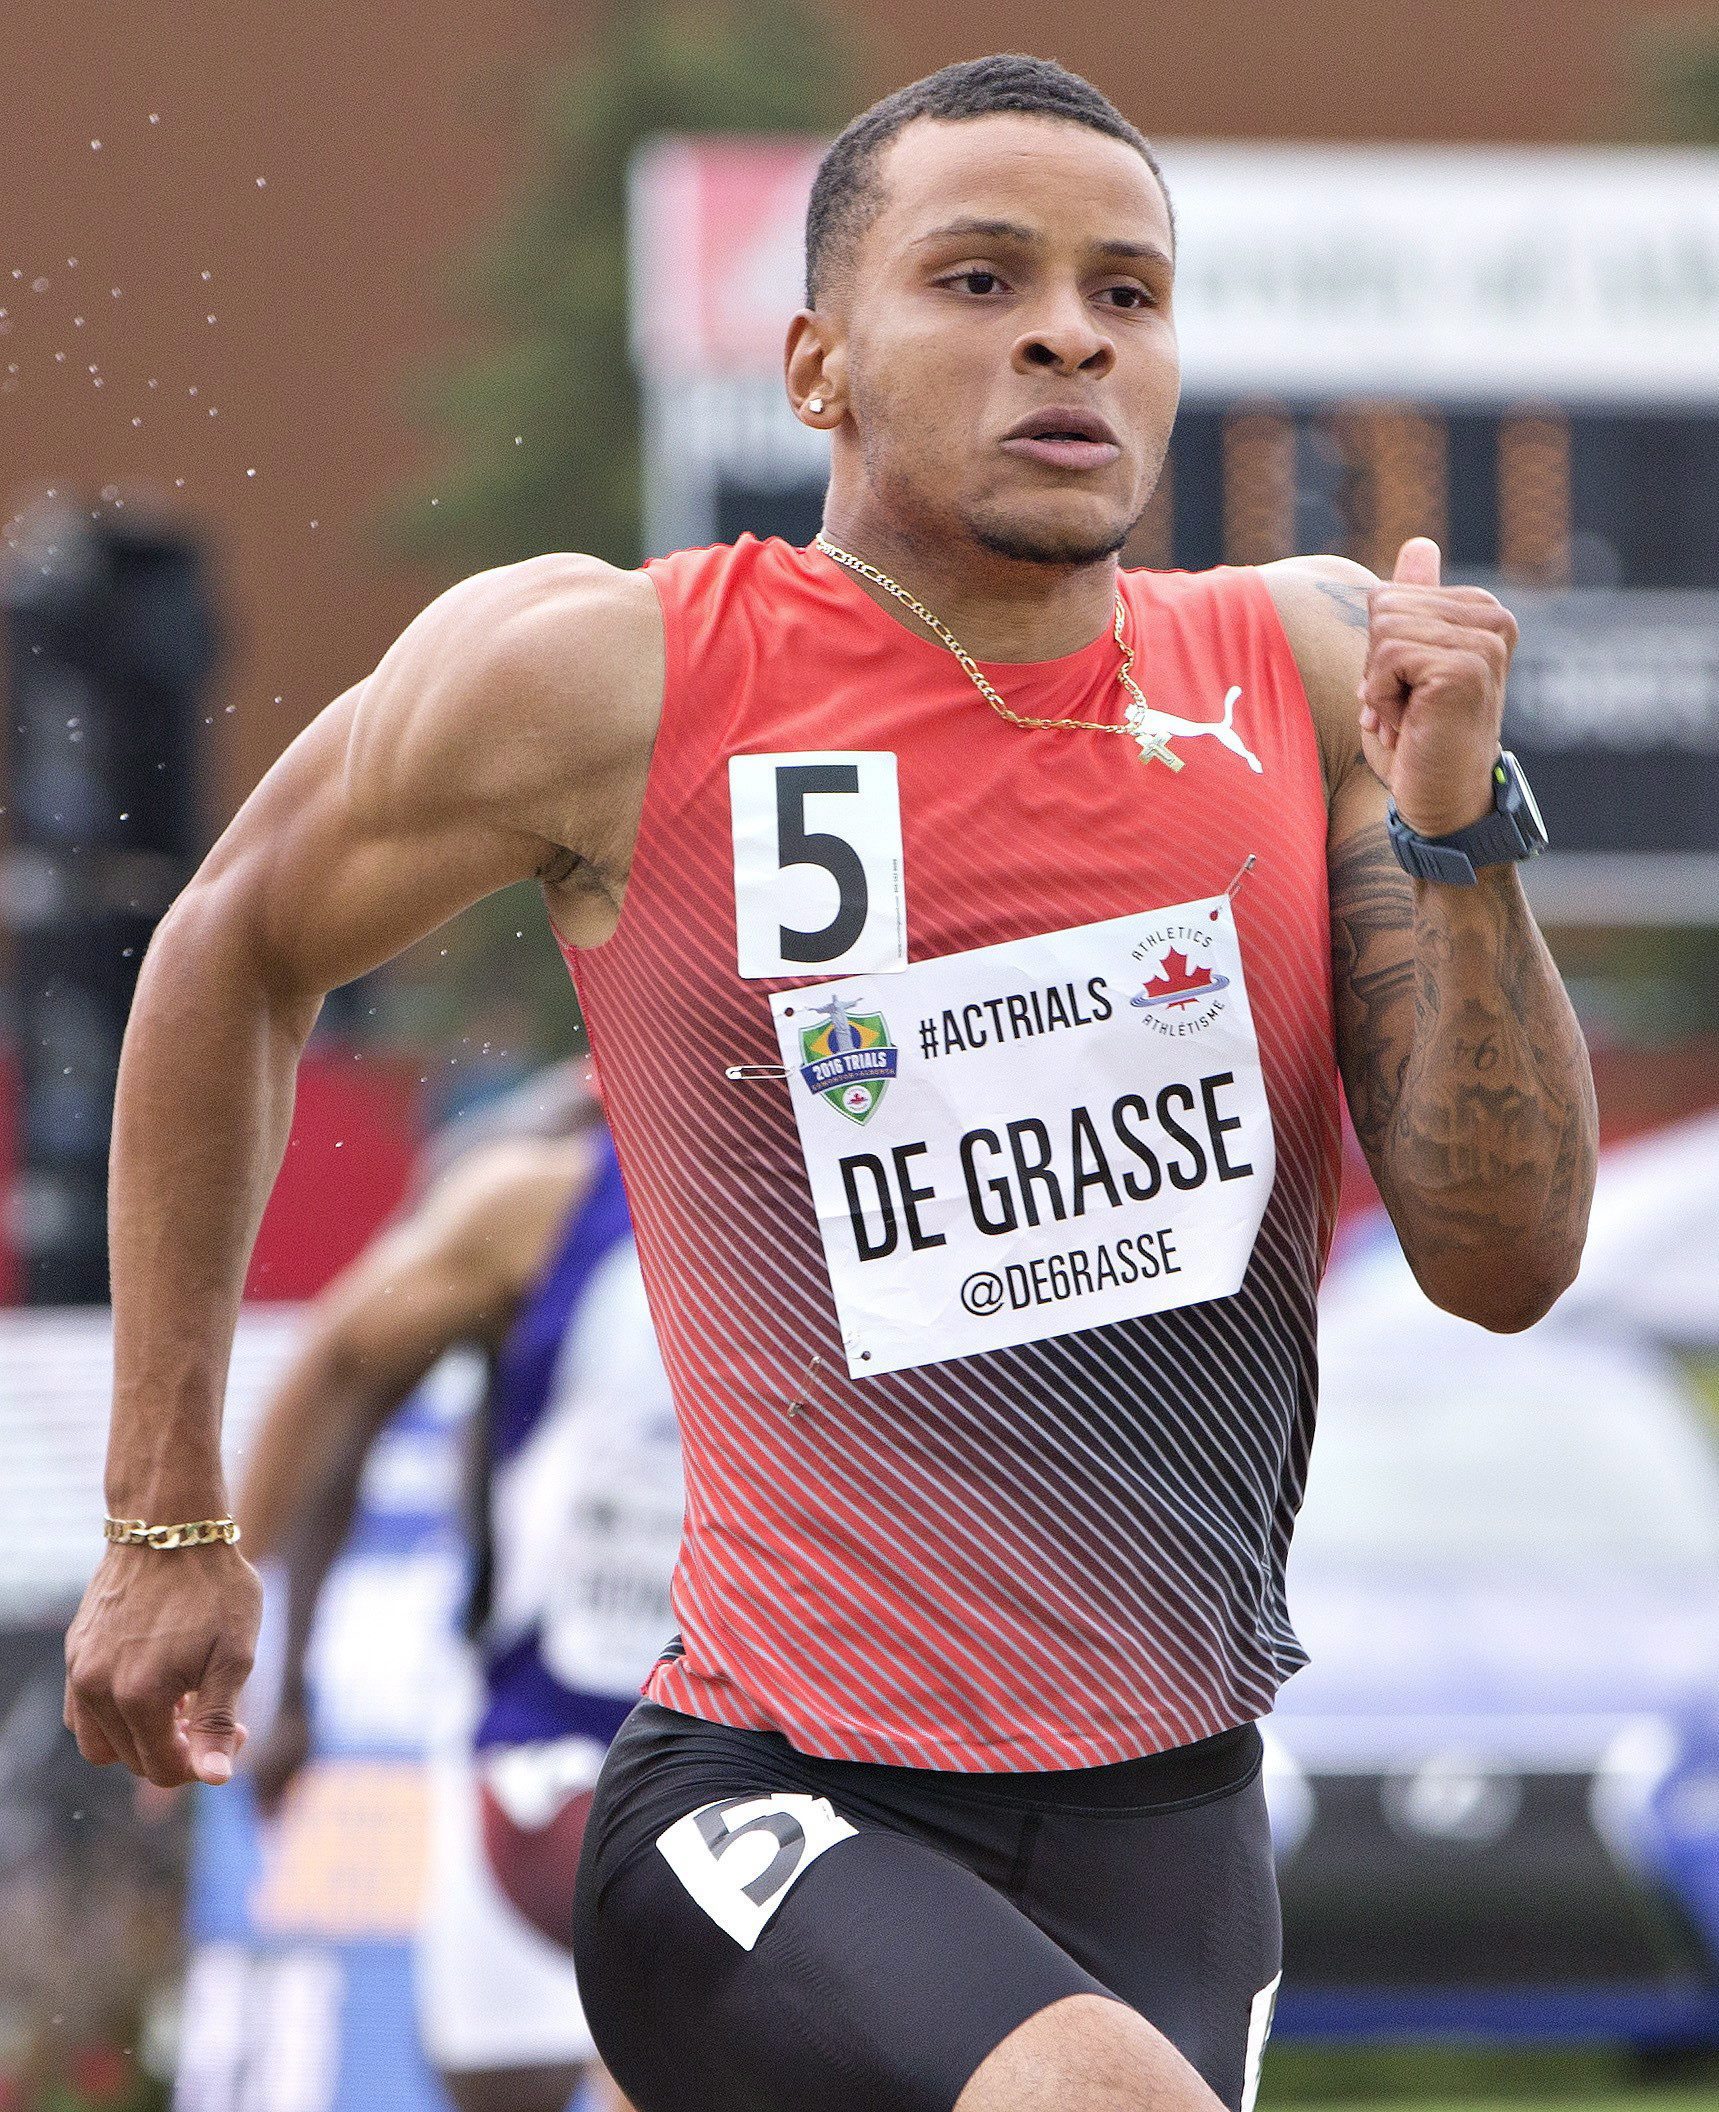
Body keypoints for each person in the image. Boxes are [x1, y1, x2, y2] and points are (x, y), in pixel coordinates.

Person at [66, 52, 1598, 2112]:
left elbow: (1502, 1262)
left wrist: (1453, 831)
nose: (1067, 332)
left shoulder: (1312, 672)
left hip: (1172, 1826)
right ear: (814, 367)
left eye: (1124, 293)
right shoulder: (614, 676)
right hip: (765, 1795)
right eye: (977, 279)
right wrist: (166, 1520)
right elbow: (228, 947)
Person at [236, 1089, 676, 2112]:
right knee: (500, 2078)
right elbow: (341, 1383)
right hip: (544, 1728)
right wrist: (269, 1668)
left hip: (763, 1738)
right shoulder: (547, 1192)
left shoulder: (862, 1190)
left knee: (674, 2050)